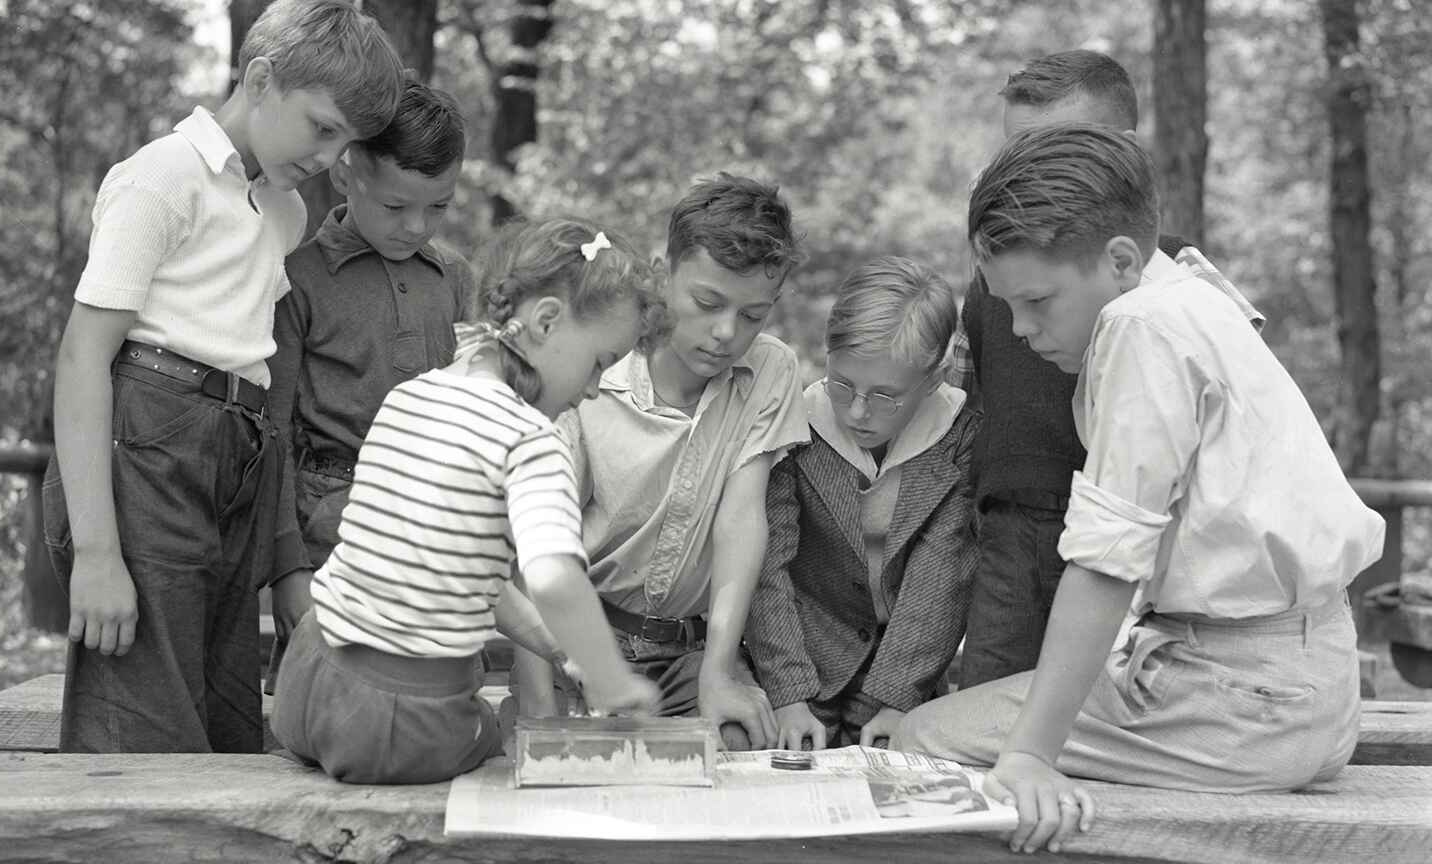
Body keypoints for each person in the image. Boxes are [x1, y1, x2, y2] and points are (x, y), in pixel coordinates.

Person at [894, 124, 1385, 854]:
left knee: (926, 736)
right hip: (1298, 685)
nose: (1022, 330)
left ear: (1119, 259)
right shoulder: (1188, 291)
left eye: (1037, 301)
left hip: (1246, 704)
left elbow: (1107, 557)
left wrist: (1030, 756)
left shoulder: (1140, 324)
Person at [40, 0, 403, 753]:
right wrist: (99, 554)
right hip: (145, 443)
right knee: (142, 715)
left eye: (348, 142)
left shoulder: (283, 211)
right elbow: (83, 357)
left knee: (223, 711)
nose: (333, 157)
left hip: (237, 455)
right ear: (261, 77)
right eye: (323, 127)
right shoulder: (163, 177)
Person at [270, 218, 664, 784]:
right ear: (547, 320)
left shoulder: (412, 397)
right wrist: (610, 678)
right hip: (397, 720)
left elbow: (462, 572)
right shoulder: (530, 439)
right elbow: (554, 579)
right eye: (601, 361)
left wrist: (559, 650)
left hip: (308, 681)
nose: (596, 388)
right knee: (492, 742)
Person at [950, 50, 1264, 689]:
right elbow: (964, 397)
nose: (1027, 168)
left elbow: (1239, 393)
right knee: (986, 696)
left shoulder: (1168, 276)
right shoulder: (998, 281)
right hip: (1008, 533)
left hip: (1126, 537)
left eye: (1054, 145)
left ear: (1120, 148)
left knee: (1099, 703)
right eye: (1015, 148)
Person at [515, 173, 809, 750]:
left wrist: (719, 672)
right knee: (565, 764)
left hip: (689, 655)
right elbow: (534, 555)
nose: (726, 333)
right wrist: (540, 701)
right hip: (580, 641)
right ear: (661, 274)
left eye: (753, 315)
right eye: (707, 303)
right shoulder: (592, 365)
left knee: (738, 741)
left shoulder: (771, 371)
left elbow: (741, 520)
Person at [264, 81, 477, 686]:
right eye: (394, 206)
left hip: (435, 529)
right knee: (320, 696)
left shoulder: (456, 278)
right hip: (329, 530)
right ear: (345, 173)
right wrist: (286, 568)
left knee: (433, 696)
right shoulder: (297, 279)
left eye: (438, 207)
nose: (416, 226)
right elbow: (273, 430)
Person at [744, 256, 980, 751]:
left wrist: (895, 699)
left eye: (884, 396)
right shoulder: (797, 426)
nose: (856, 411)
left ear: (933, 379)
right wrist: (789, 694)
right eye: (843, 384)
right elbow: (768, 565)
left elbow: (939, 575)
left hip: (905, 675)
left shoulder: (958, 436)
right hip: (801, 669)